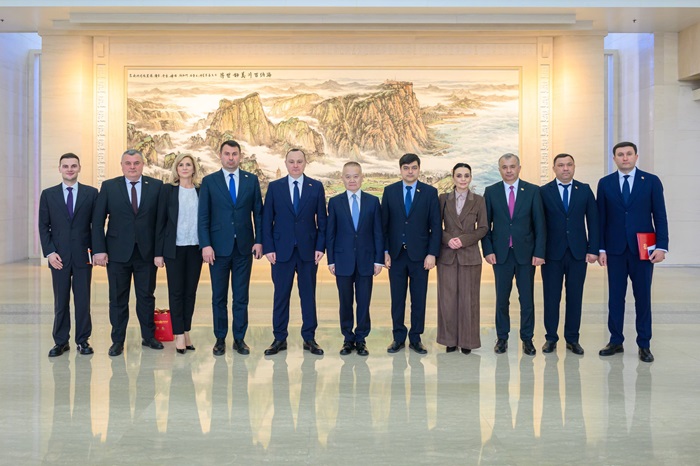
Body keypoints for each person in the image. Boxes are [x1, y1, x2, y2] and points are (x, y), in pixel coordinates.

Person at [596, 141, 668, 363]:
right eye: (620, 154)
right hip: (615, 250)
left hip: (644, 250)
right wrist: (601, 248)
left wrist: (662, 246)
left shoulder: (651, 181)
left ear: (636, 157)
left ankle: (644, 344)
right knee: (615, 297)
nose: (625, 158)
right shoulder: (605, 183)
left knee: (643, 297)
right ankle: (615, 340)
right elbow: (600, 219)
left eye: (629, 154)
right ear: (614, 158)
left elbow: (660, 215)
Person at [92, 149, 164, 356]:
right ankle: (117, 341)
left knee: (146, 297)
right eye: (128, 163)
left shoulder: (156, 186)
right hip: (117, 254)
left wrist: (159, 252)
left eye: (136, 163)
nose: (132, 167)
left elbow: (161, 223)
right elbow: (97, 221)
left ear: (143, 165)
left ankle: (148, 336)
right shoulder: (109, 186)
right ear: (122, 165)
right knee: (117, 298)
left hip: (146, 253)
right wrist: (99, 250)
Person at [198, 140, 263, 355]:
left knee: (241, 296)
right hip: (217, 249)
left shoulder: (251, 180)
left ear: (240, 156)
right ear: (220, 155)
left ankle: (239, 338)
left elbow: (258, 214)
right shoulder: (209, 181)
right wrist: (206, 245)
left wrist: (259, 240)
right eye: (227, 154)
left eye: (234, 154)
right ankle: (220, 338)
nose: (231, 158)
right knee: (219, 297)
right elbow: (203, 216)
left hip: (244, 247)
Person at [262, 148, 327, 355]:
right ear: (286, 163)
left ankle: (309, 338)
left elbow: (322, 221)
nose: (295, 165)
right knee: (281, 296)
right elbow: (266, 220)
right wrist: (269, 248)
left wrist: (320, 246)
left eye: (299, 161)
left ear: (305, 163)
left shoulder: (316, 187)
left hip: (308, 251)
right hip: (281, 251)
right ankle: (279, 338)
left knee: (308, 296)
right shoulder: (275, 187)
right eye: (291, 161)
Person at [482, 153, 546, 356]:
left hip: (526, 255)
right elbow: (485, 226)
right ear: (499, 169)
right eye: (504, 167)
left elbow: (540, 225)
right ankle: (502, 338)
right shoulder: (491, 192)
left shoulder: (533, 191)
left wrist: (539, 252)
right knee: (502, 299)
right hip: (501, 255)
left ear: (519, 168)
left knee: (526, 299)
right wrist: (488, 250)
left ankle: (527, 339)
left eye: (512, 166)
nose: (508, 170)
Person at [38, 153, 99, 357]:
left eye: (73, 166)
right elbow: (43, 226)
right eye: (66, 166)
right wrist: (50, 252)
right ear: (60, 169)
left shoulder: (91, 193)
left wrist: (96, 251)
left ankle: (82, 340)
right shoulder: (48, 194)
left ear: (79, 168)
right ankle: (61, 342)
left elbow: (96, 225)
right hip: (59, 258)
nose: (70, 169)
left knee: (83, 301)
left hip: (83, 255)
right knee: (60, 301)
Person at [382, 153, 441, 354]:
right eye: (406, 168)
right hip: (396, 256)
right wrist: (385, 251)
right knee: (397, 299)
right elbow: (383, 225)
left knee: (419, 299)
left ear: (419, 169)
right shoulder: (389, 191)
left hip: (421, 256)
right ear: (400, 170)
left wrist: (432, 253)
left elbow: (435, 226)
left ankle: (416, 338)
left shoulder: (430, 192)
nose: (410, 171)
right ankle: (398, 337)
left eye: (414, 167)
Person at [540, 153, 599, 355]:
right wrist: (538, 252)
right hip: (551, 254)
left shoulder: (584, 190)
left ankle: (572, 339)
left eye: (569, 165)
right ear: (554, 168)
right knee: (551, 297)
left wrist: (593, 249)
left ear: (574, 167)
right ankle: (550, 338)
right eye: (561, 165)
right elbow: (538, 224)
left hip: (578, 254)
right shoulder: (543, 192)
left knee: (575, 297)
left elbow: (594, 221)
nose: (565, 168)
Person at [327, 162, 384, 356]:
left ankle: (361, 339)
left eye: (356, 176)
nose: (352, 180)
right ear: (342, 178)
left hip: (366, 260)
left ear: (362, 177)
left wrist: (378, 260)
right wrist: (331, 260)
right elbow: (330, 233)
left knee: (364, 301)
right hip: (342, 261)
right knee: (345, 302)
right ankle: (347, 338)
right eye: (348, 176)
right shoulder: (335, 202)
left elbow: (378, 233)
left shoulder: (373, 202)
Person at [154, 153, 203, 354]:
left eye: (188, 164)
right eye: (181, 164)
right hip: (174, 248)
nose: (184, 168)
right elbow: (160, 222)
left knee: (190, 292)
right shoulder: (168, 190)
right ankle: (178, 334)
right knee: (176, 292)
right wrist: (158, 253)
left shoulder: (201, 191)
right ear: (176, 168)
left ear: (194, 168)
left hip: (195, 247)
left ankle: (186, 330)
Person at [436, 163, 488, 354]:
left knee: (469, 300)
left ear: (471, 178)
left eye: (466, 175)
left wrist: (463, 240)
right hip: (447, 255)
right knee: (447, 300)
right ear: (453, 177)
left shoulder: (479, 200)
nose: (463, 179)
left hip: (470, 256)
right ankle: (449, 340)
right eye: (459, 175)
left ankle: (468, 341)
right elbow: (435, 225)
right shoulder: (443, 199)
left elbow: (483, 227)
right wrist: (448, 239)